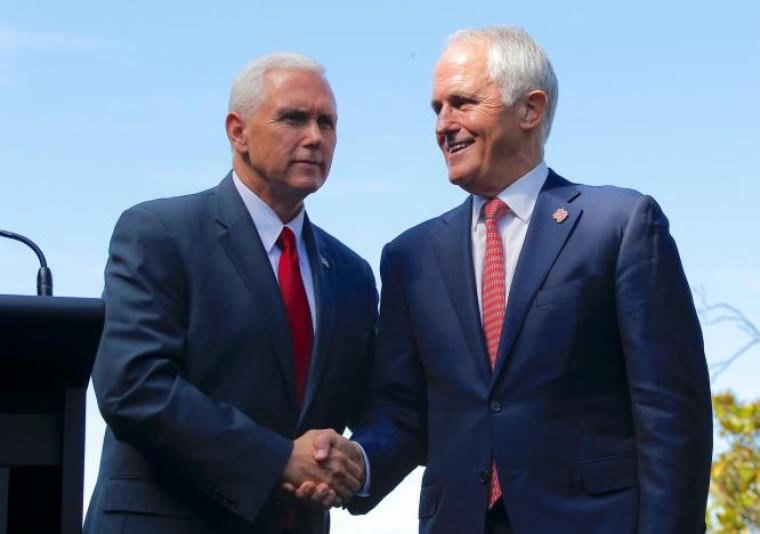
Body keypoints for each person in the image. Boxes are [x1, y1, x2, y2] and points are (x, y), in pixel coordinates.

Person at [312, 26, 712, 533]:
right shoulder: (409, 257)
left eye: (461, 103)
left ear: (531, 109)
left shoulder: (621, 225)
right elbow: (405, 411)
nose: (444, 125)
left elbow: (672, 415)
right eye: (436, 108)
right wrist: (357, 464)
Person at [84, 52, 376, 534]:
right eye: (294, 118)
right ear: (237, 131)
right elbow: (132, 385)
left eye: (327, 123)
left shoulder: (352, 274)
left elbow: (369, 402)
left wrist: (352, 462)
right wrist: (278, 459)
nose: (315, 137)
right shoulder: (159, 233)